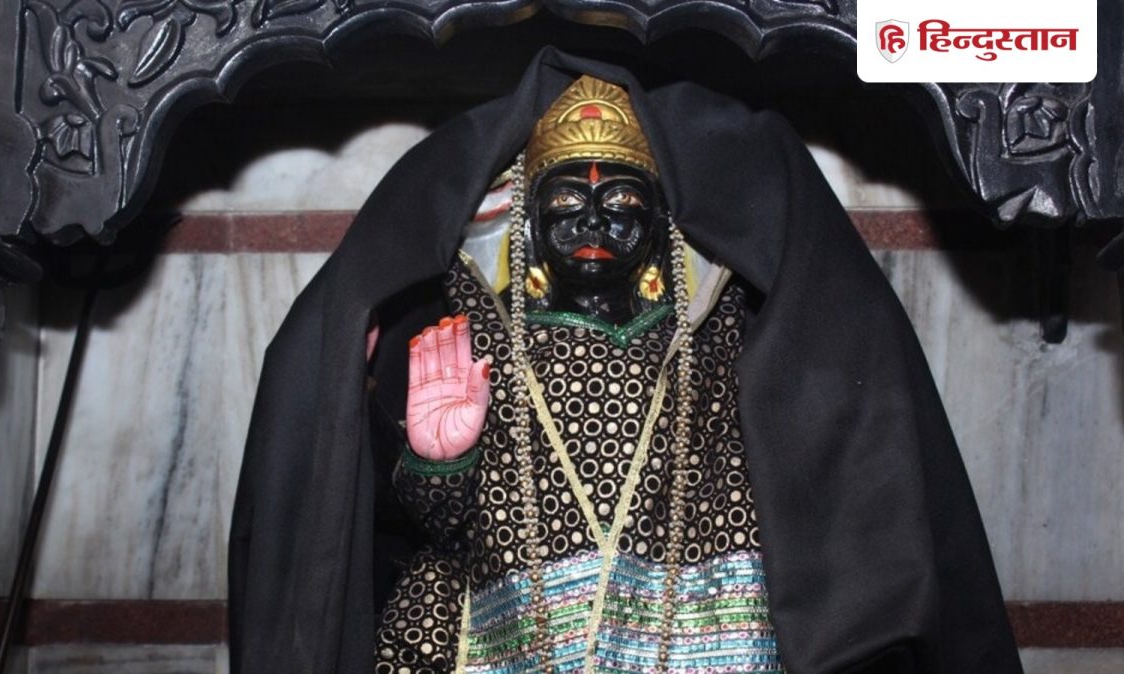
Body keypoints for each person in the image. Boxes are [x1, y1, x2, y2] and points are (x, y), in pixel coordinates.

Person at [229, 49, 1024, 674]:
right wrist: (442, 461)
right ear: (529, 220)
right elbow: (440, 534)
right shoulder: (472, 330)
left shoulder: (721, 328)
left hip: (700, 633)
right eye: (567, 203)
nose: (594, 222)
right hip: (514, 639)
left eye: (621, 203)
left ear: (661, 222)